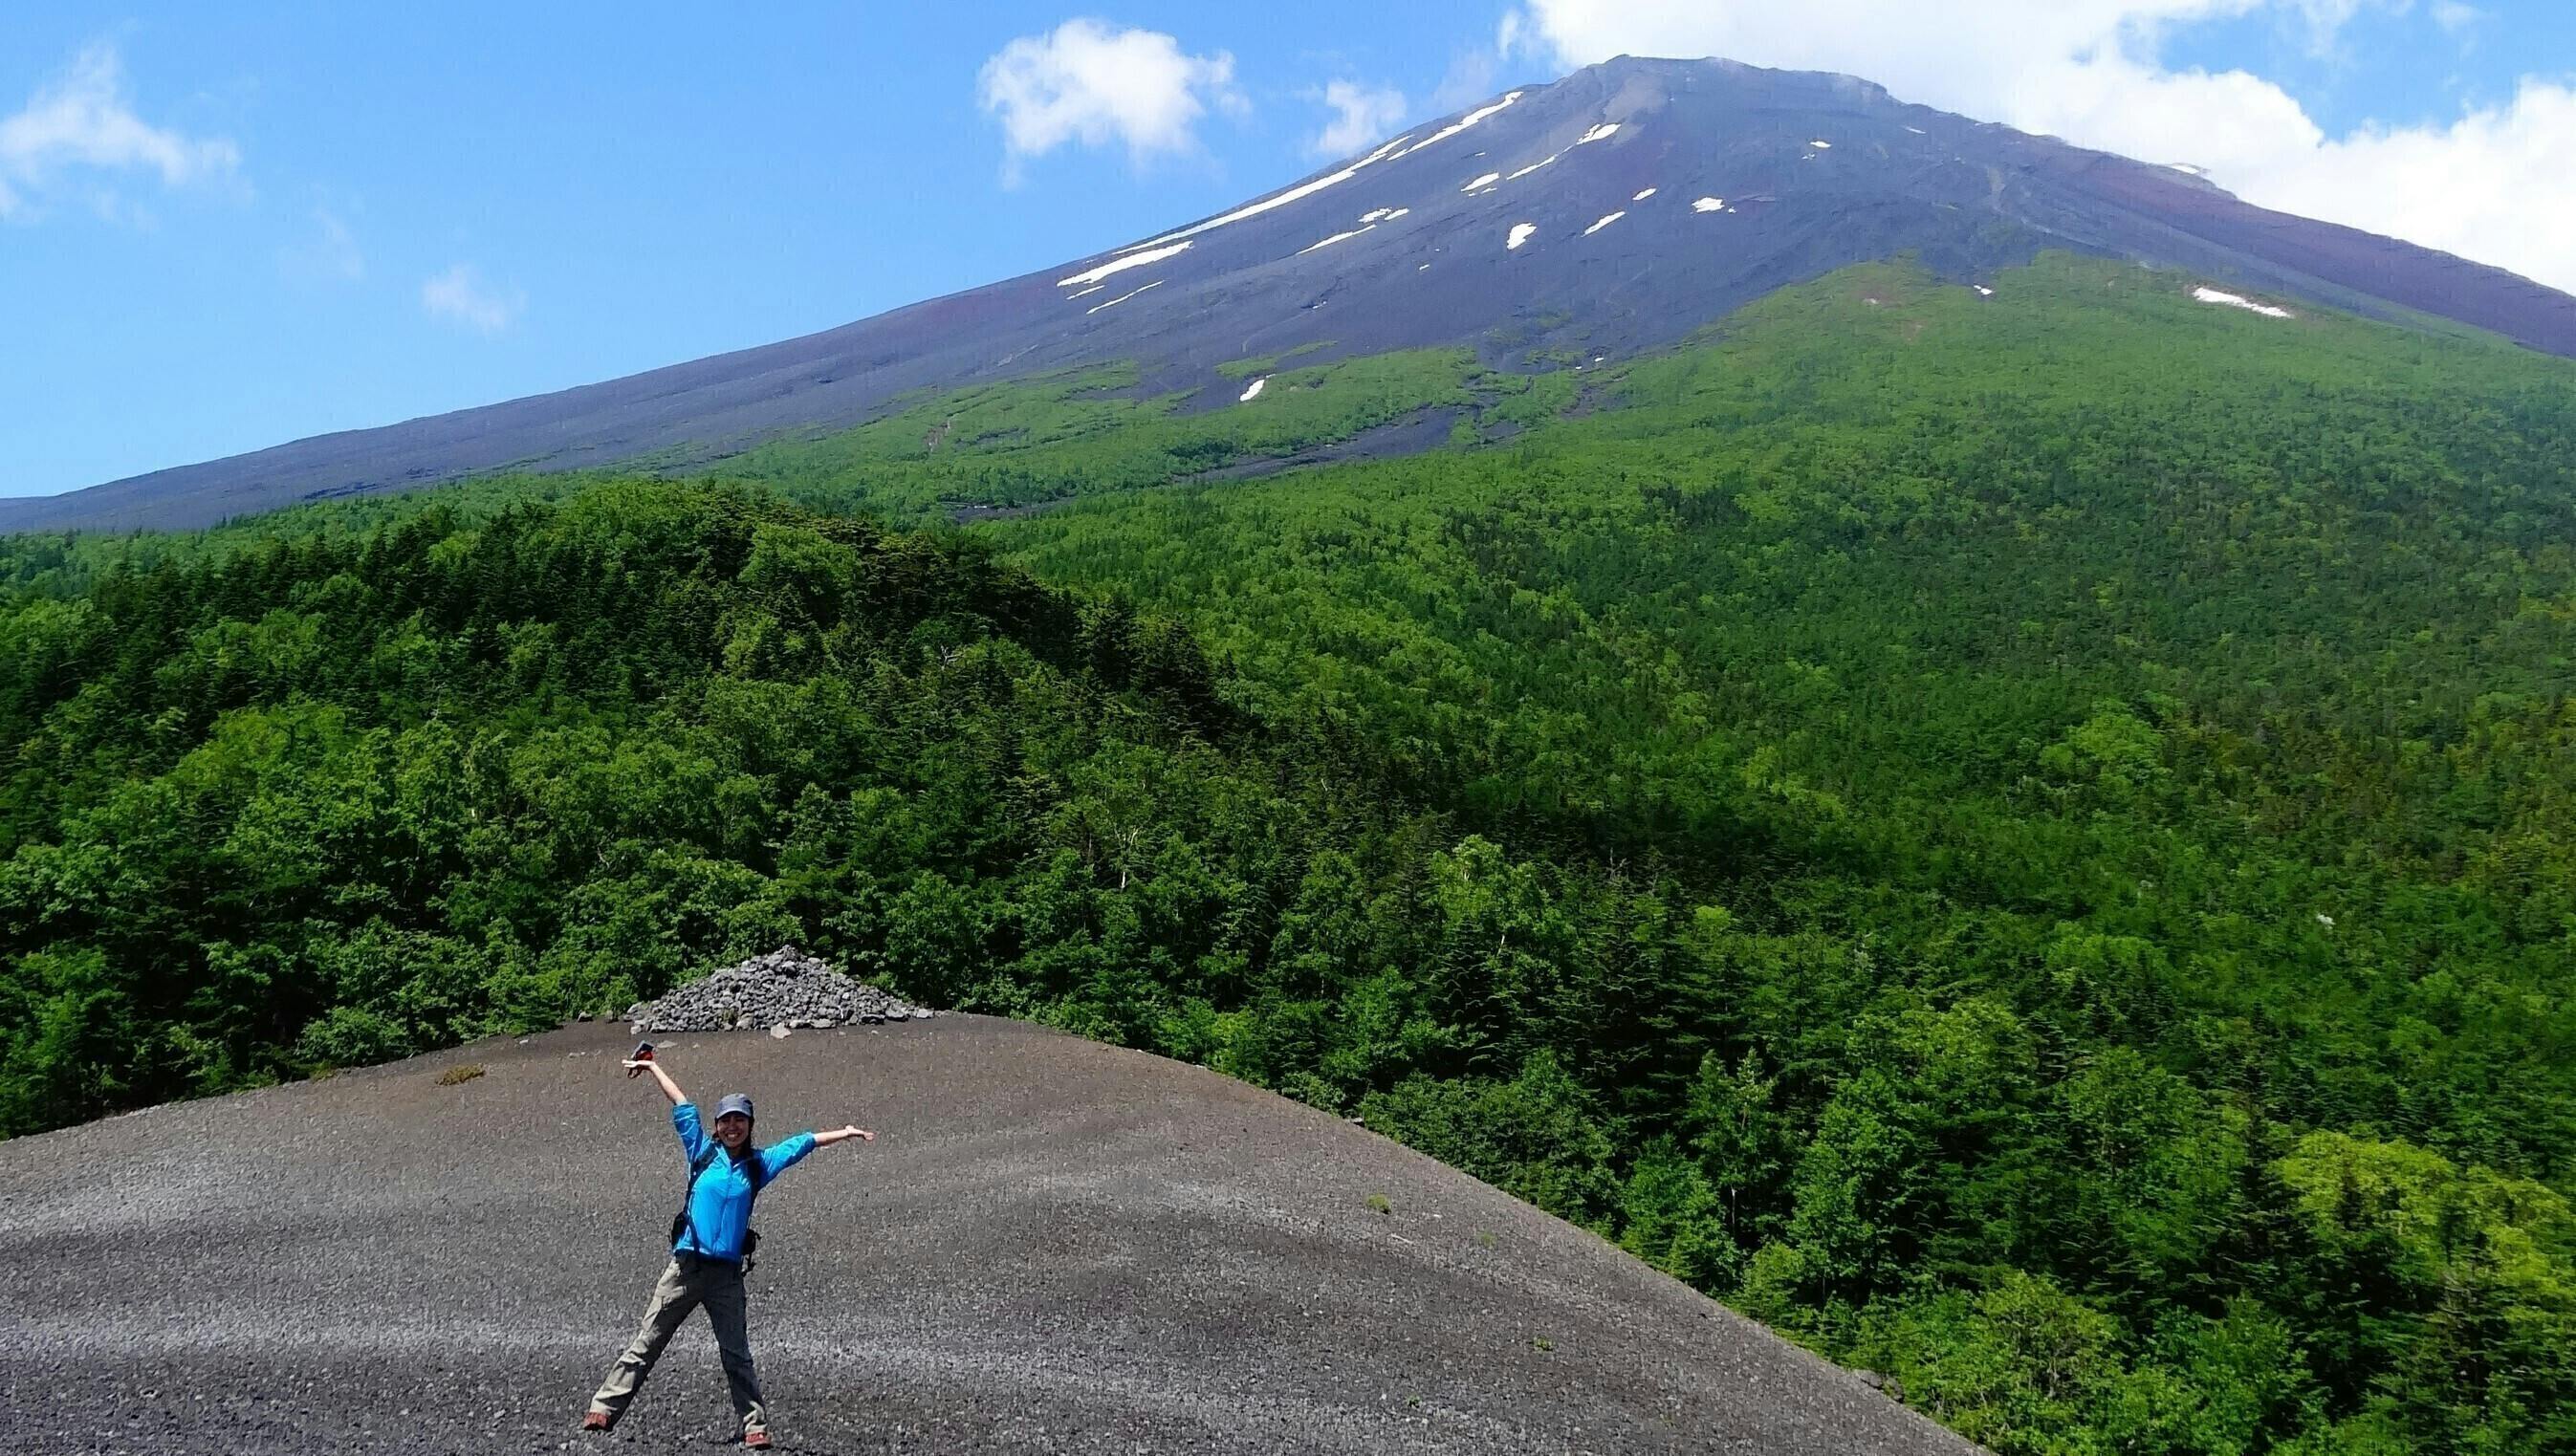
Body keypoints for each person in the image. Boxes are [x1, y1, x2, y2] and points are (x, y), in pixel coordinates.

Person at [583, 1053, 874, 1447]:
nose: (732, 1126)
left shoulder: (760, 1164)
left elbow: (801, 1144)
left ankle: (755, 1427)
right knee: (648, 1341)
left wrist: (845, 1132)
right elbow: (681, 1102)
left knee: (736, 1353)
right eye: (726, 1120)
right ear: (717, 1127)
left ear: (750, 1125)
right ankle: (603, 1409)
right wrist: (652, 1068)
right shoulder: (701, 1152)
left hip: (726, 1276)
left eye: (740, 1119)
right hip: (685, 1268)